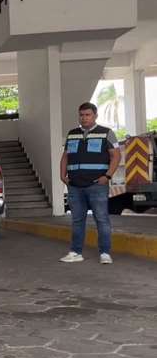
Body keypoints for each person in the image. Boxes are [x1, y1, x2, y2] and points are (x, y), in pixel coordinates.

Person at [59, 102, 121, 264]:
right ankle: (75, 252)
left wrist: (107, 176)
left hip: (97, 184)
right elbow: (65, 156)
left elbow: (116, 156)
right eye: (81, 115)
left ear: (95, 116)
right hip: (74, 185)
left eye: (88, 115)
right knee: (77, 220)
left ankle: (105, 253)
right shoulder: (72, 134)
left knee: (101, 219)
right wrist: (62, 176)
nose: (84, 118)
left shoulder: (106, 133)